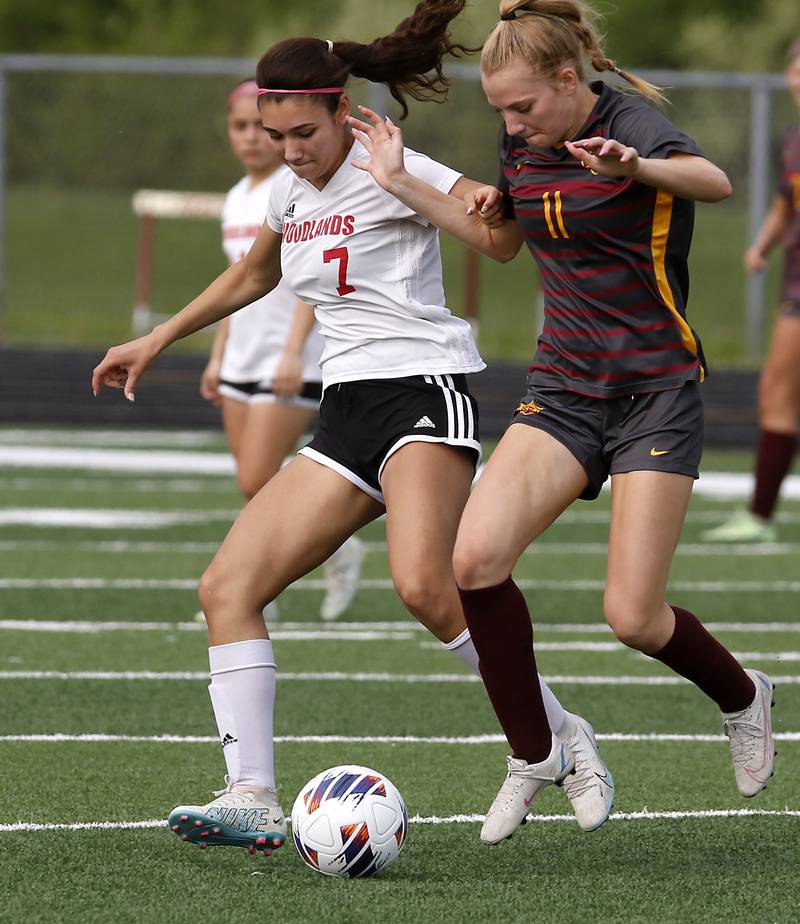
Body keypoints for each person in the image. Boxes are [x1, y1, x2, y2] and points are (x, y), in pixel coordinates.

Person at [92, 0, 614, 857]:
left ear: (343, 108)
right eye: (274, 133)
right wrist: (156, 337)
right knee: (227, 588)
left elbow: (502, 242)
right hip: (345, 414)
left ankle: (559, 737)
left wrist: (408, 181)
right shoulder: (290, 193)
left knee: (425, 587)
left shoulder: (393, 163)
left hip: (421, 394)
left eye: (302, 131)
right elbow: (252, 275)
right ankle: (252, 794)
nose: (287, 149)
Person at [348, 0, 776, 845]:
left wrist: (637, 166)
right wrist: (401, 184)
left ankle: (743, 695)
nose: (512, 125)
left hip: (656, 389)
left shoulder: (630, 122)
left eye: (524, 108)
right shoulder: (526, 138)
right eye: (501, 112)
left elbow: (715, 182)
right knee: (473, 561)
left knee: (633, 617)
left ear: (568, 79)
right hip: (566, 388)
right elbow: (504, 240)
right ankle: (537, 754)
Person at [199, 78, 363, 623]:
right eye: (240, 127)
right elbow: (239, 279)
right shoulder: (235, 198)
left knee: (256, 478)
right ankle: (276, 578)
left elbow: (309, 280)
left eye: (259, 128)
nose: (251, 139)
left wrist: (295, 351)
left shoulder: (295, 189)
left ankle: (276, 578)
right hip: (243, 356)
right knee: (251, 481)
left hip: (289, 359)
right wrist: (218, 355)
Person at [703, 40, 800, 544]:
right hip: (797, 288)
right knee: (776, 394)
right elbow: (788, 204)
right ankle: (760, 516)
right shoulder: (792, 140)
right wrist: (762, 243)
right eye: (797, 74)